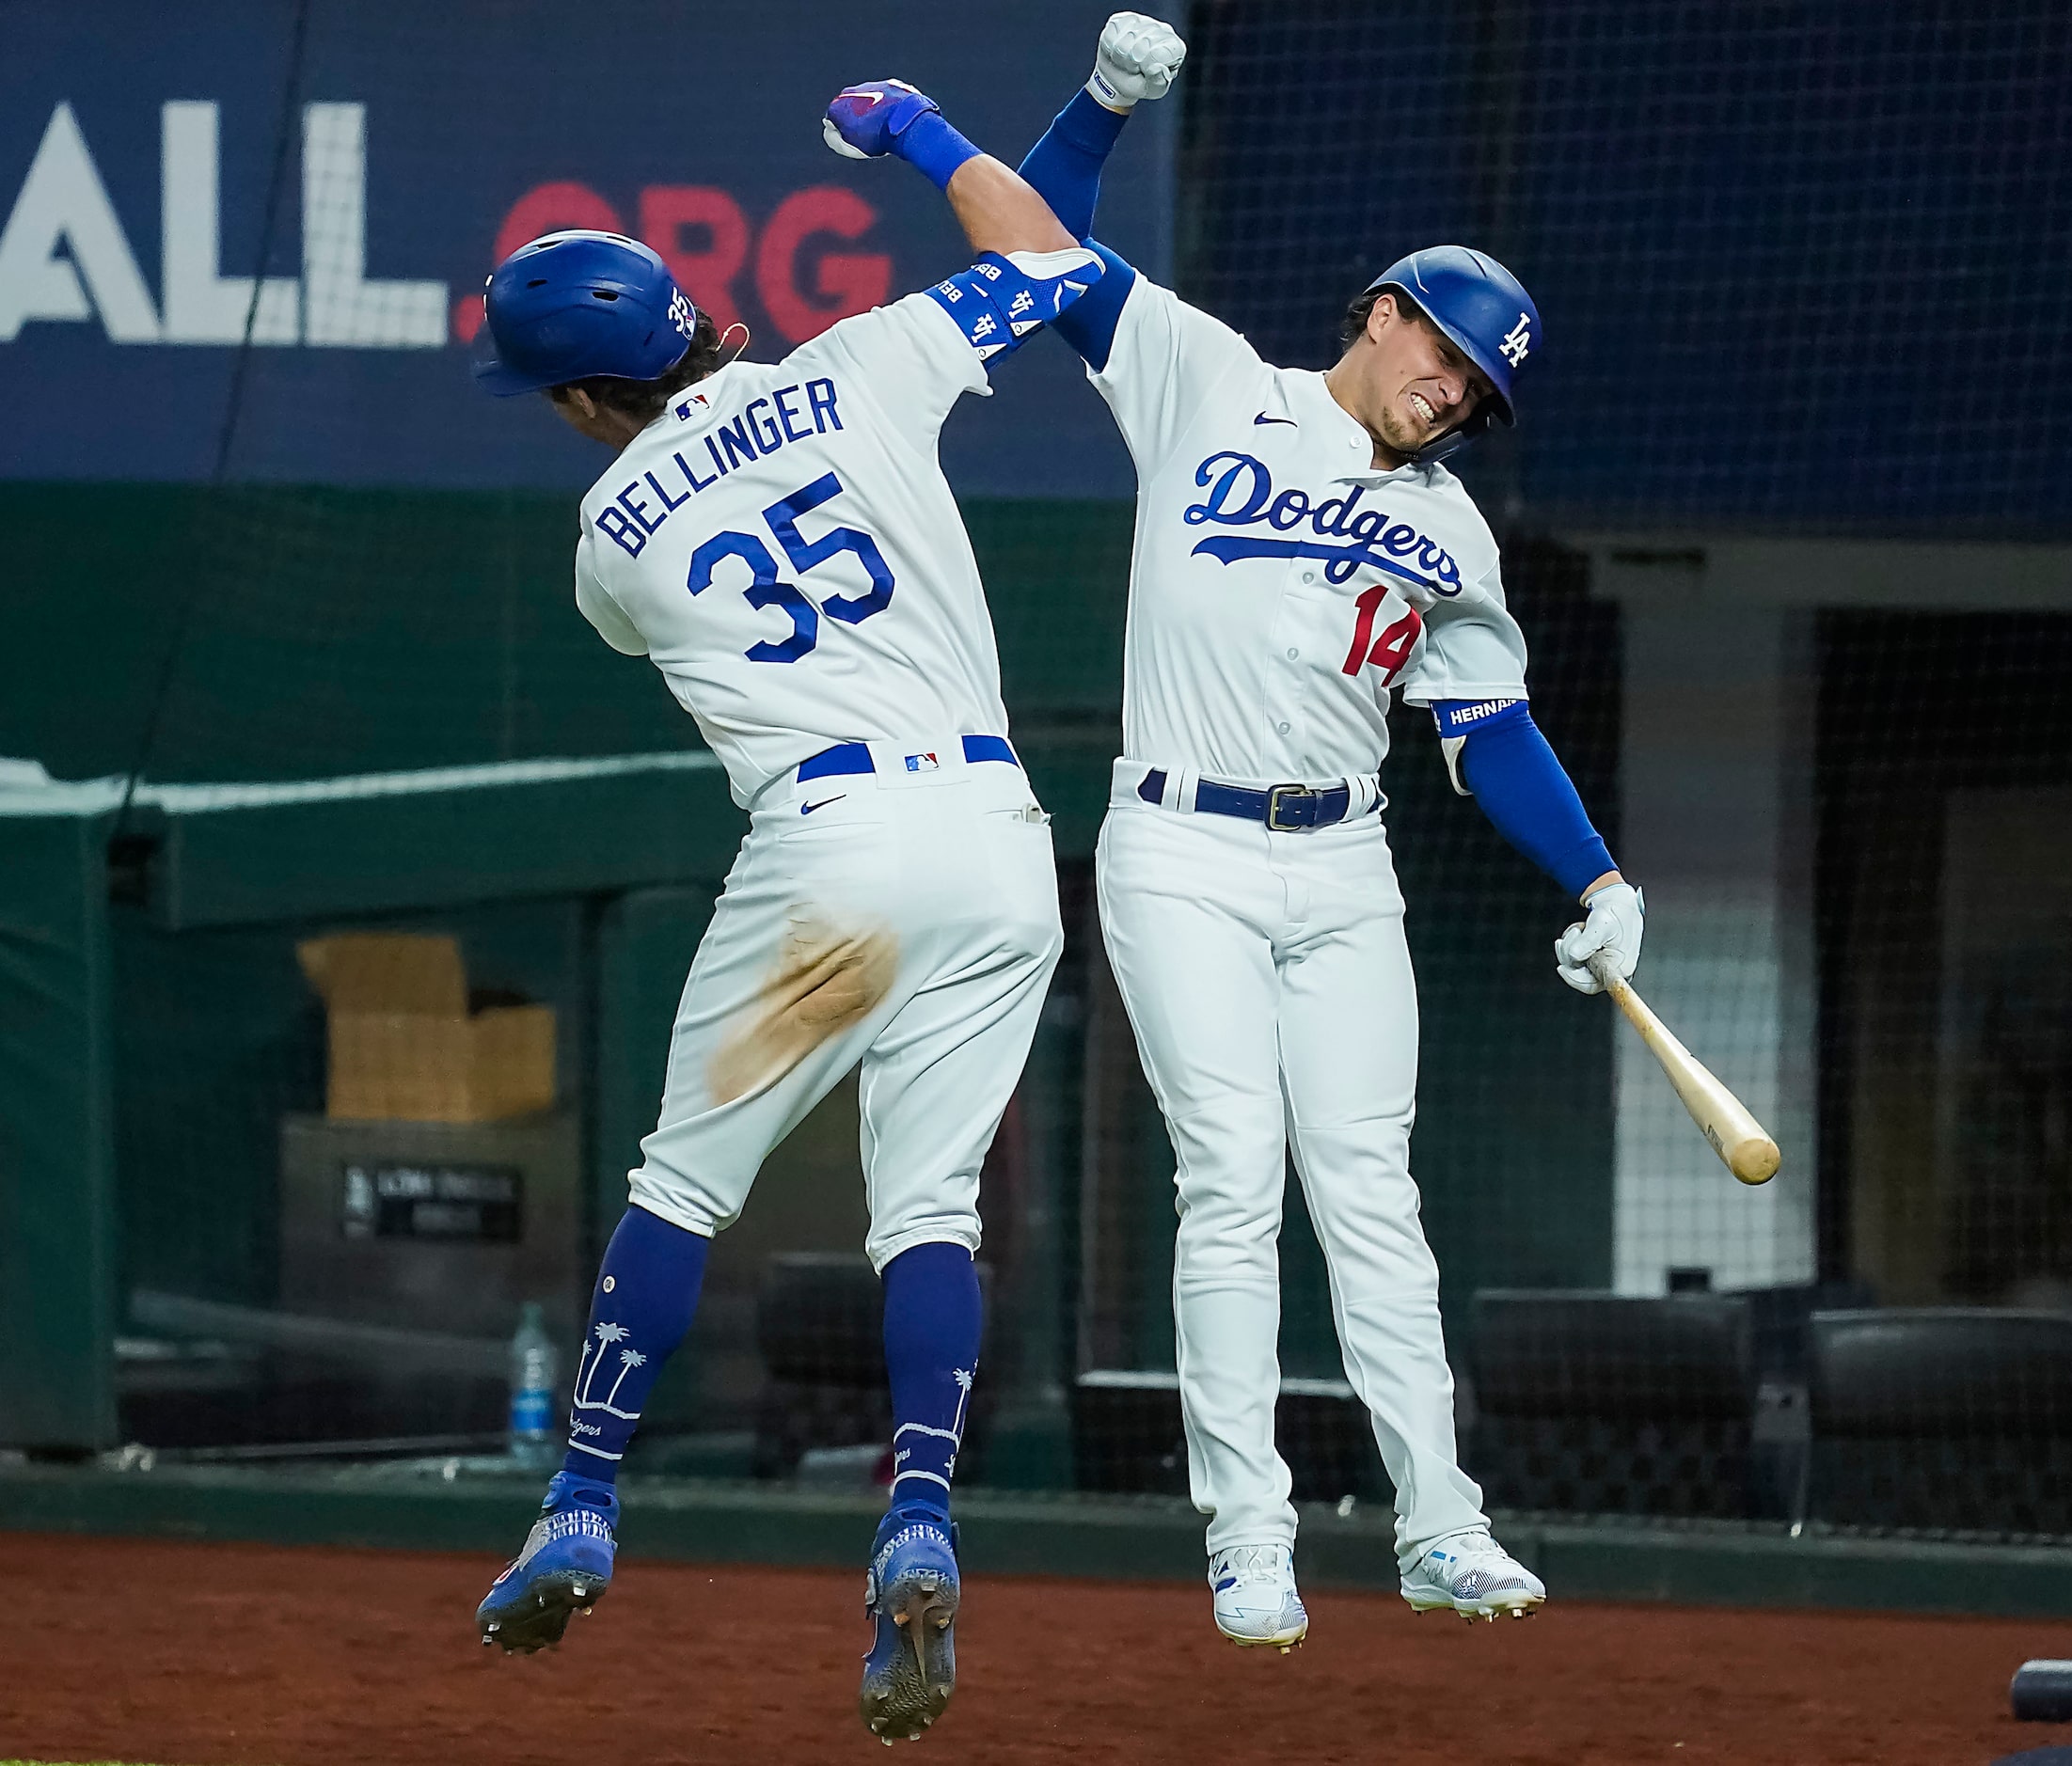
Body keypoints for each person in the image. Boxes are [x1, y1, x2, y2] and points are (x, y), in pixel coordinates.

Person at [466, 77, 1097, 1745]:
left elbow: (667, 478)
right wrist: (954, 134)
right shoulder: (860, 361)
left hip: (831, 852)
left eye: (558, 396)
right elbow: (1047, 251)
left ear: (595, 394)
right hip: (1001, 840)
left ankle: (583, 1494)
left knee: (686, 1180)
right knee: (931, 1211)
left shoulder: (610, 535)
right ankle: (917, 1515)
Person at [1032, 11, 1640, 1647]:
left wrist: (1591, 873)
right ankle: (1246, 1531)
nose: (1449, 396)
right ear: (1380, 314)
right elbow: (1037, 247)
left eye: (1475, 387)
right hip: (1179, 850)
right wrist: (1097, 109)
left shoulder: (1448, 528)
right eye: (1440, 354)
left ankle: (1441, 1526)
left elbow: (1490, 728)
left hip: (1341, 860)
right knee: (1229, 1175)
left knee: (1369, 1187)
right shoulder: (1210, 382)